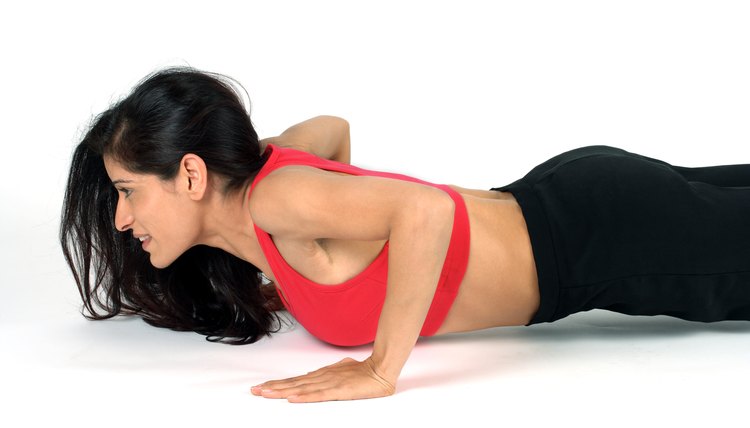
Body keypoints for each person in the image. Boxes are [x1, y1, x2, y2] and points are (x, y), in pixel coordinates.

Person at [60, 66, 750, 403]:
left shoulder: (277, 200)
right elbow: (329, 128)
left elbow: (425, 211)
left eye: (127, 192)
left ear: (189, 174)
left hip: (598, 243)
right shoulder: (273, 201)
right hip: (571, 202)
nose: (121, 220)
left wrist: (381, 368)